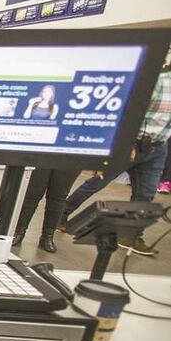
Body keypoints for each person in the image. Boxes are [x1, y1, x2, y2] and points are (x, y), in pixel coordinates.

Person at [61, 65, 171, 256]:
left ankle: (132, 235)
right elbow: (129, 113)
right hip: (132, 143)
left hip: (158, 146)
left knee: (146, 194)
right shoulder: (159, 82)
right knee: (98, 181)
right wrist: (124, 143)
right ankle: (61, 214)